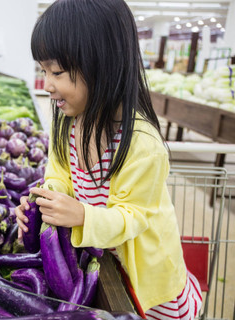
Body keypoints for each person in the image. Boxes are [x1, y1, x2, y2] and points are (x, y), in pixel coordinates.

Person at [15, 0, 202, 319]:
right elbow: (58, 173)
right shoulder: (69, 124)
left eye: (57, 72)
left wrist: (83, 216)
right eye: (44, 71)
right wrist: (46, 200)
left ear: (102, 64)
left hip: (148, 281)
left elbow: (132, 217)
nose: (47, 85)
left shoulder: (141, 144)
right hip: (105, 259)